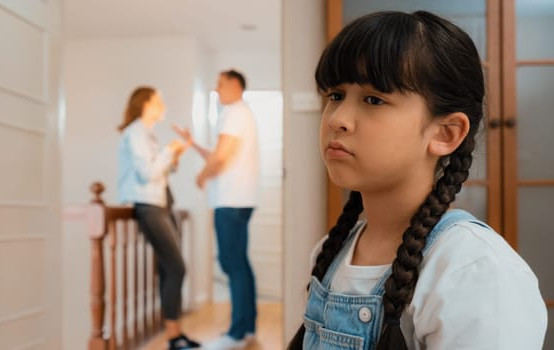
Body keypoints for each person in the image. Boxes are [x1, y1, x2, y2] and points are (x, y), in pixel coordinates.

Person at [287, 11, 547, 350]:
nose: (338, 119)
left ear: (445, 133)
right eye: (335, 95)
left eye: (374, 100)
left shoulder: (474, 271)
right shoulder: (328, 251)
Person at [174, 70, 260, 350]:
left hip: (230, 200)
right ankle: (246, 328)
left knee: (232, 264)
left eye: (220, 83)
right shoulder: (240, 113)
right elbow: (218, 154)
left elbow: (221, 159)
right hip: (239, 199)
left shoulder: (235, 112)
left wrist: (202, 176)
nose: (216, 88)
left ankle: (235, 334)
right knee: (240, 264)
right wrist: (194, 144)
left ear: (235, 85)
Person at [117, 86, 201, 350]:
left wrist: (176, 154)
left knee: (169, 268)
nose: (163, 105)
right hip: (149, 207)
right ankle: (174, 337)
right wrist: (169, 151)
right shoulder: (135, 132)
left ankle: (174, 335)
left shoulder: (145, 133)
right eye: (158, 101)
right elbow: (147, 173)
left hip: (160, 204)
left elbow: (158, 170)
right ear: (145, 104)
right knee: (176, 267)